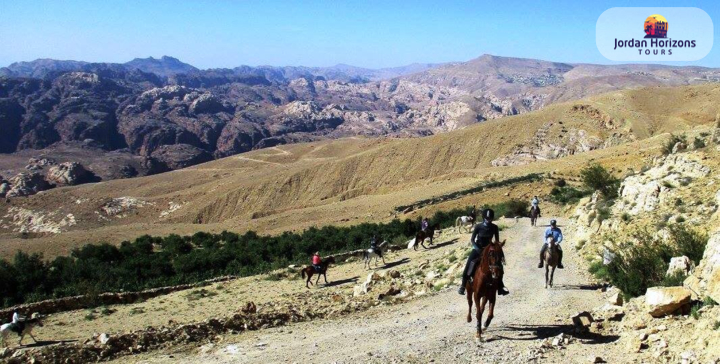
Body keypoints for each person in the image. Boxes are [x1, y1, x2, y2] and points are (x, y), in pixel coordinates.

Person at [458, 208, 510, 296]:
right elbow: (472, 240)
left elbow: (497, 241)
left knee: (499, 266)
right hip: (478, 248)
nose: (488, 220)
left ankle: (500, 287)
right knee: (469, 264)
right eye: (487, 218)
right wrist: (477, 248)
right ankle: (463, 286)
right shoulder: (478, 227)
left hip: (490, 250)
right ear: (483, 218)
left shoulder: (494, 227)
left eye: (490, 218)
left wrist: (499, 248)